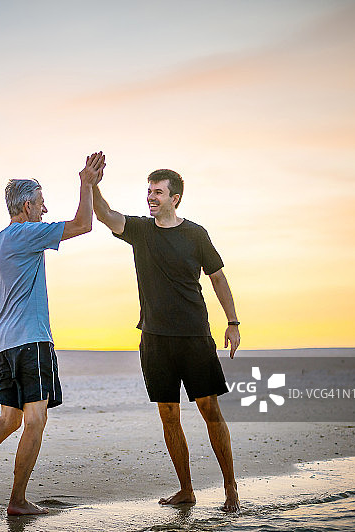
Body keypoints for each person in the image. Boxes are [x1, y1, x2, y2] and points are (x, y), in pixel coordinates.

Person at [0, 152, 106, 516]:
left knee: (10, 419)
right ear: (28, 205)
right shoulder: (26, 233)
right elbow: (83, 224)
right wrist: (85, 184)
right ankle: (17, 501)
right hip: (31, 340)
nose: (45, 209)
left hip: (1, 345)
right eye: (41, 202)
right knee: (35, 418)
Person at [92, 168, 241, 512]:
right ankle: (186, 490)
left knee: (209, 410)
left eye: (158, 192)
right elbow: (104, 214)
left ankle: (230, 488)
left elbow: (217, 278)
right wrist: (93, 185)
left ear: (174, 198)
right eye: (149, 191)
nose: (151, 197)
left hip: (194, 336)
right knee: (169, 414)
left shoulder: (195, 234)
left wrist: (232, 322)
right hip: (155, 340)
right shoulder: (141, 231)